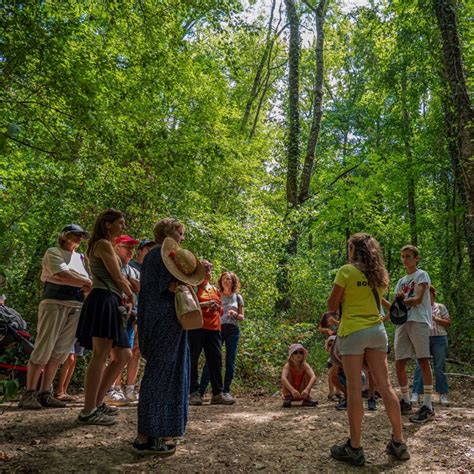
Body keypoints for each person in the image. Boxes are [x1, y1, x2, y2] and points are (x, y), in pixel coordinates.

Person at [327, 233, 409, 466]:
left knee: (354, 388)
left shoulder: (346, 271)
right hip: (376, 332)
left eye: (349, 248)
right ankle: (398, 442)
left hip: (353, 332)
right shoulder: (379, 275)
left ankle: (355, 447)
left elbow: (332, 305)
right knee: (385, 386)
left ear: (354, 250)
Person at [134, 218, 205, 456]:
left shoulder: (151, 257)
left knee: (164, 371)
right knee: (164, 373)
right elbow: (174, 286)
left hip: (158, 320)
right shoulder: (162, 258)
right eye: (180, 233)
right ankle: (153, 435)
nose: (182, 237)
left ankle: (152, 433)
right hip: (165, 320)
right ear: (168, 234)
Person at [19, 224, 92, 410]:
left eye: (81, 236)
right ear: (64, 236)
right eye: (74, 235)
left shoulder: (80, 257)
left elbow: (74, 279)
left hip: (75, 305)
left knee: (60, 351)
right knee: (44, 346)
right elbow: (62, 274)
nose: (78, 238)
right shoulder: (53, 252)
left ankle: (45, 393)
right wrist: (86, 282)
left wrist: (82, 283)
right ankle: (29, 393)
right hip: (54, 303)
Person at [75, 209, 134, 426]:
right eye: (120, 222)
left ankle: (97, 402)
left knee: (124, 355)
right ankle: (88, 410)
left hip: (111, 300)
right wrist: (130, 295)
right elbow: (117, 276)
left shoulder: (106, 245)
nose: (123, 226)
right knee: (100, 354)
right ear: (108, 224)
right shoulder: (102, 244)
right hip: (103, 299)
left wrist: (125, 295)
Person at [394, 245, 435, 423]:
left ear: (416, 258)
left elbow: (418, 299)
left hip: (418, 320)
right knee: (399, 362)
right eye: (403, 256)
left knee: (423, 360)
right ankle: (405, 400)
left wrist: (403, 300)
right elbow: (396, 306)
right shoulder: (401, 280)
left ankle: (427, 405)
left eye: (408, 256)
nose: (405, 260)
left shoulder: (422, 275)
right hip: (403, 322)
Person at [189, 261, 235, 406]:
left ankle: (217, 393)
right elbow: (189, 305)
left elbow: (221, 309)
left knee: (215, 360)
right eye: (206, 269)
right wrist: (205, 305)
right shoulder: (193, 287)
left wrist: (217, 307)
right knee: (193, 360)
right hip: (197, 327)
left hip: (214, 329)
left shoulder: (214, 289)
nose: (208, 272)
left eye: (210, 270)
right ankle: (193, 393)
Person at [104, 234, 140, 405]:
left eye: (132, 248)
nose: (130, 251)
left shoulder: (131, 269)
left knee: (127, 352)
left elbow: (140, 287)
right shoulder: (113, 263)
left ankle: (116, 390)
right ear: (117, 247)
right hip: (114, 313)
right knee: (112, 353)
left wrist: (130, 282)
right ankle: (109, 389)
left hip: (130, 316)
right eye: (127, 247)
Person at [199, 271, 244, 399]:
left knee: (230, 361)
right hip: (218, 328)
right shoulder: (217, 293)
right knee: (211, 360)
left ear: (233, 281)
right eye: (224, 279)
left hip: (232, 330)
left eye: (228, 279)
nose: (226, 281)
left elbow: (242, 317)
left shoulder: (238, 297)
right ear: (221, 281)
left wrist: (235, 314)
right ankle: (201, 391)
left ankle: (226, 391)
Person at [411, 285, 451, 406]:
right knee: (420, 365)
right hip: (424, 339)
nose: (428, 296)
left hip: (439, 338)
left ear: (434, 295)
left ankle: (443, 394)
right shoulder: (420, 308)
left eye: (430, 294)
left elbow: (448, 322)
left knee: (439, 366)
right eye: (425, 294)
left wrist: (435, 318)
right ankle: (416, 393)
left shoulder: (440, 307)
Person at [281, 343, 317, 408]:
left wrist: (307, 390)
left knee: (308, 374)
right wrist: (292, 390)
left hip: (302, 393)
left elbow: (313, 377)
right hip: (291, 392)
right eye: (295, 352)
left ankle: (306, 399)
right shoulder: (288, 365)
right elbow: (283, 378)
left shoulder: (305, 365)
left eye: (301, 352)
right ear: (291, 355)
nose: (298, 354)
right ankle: (287, 397)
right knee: (286, 375)